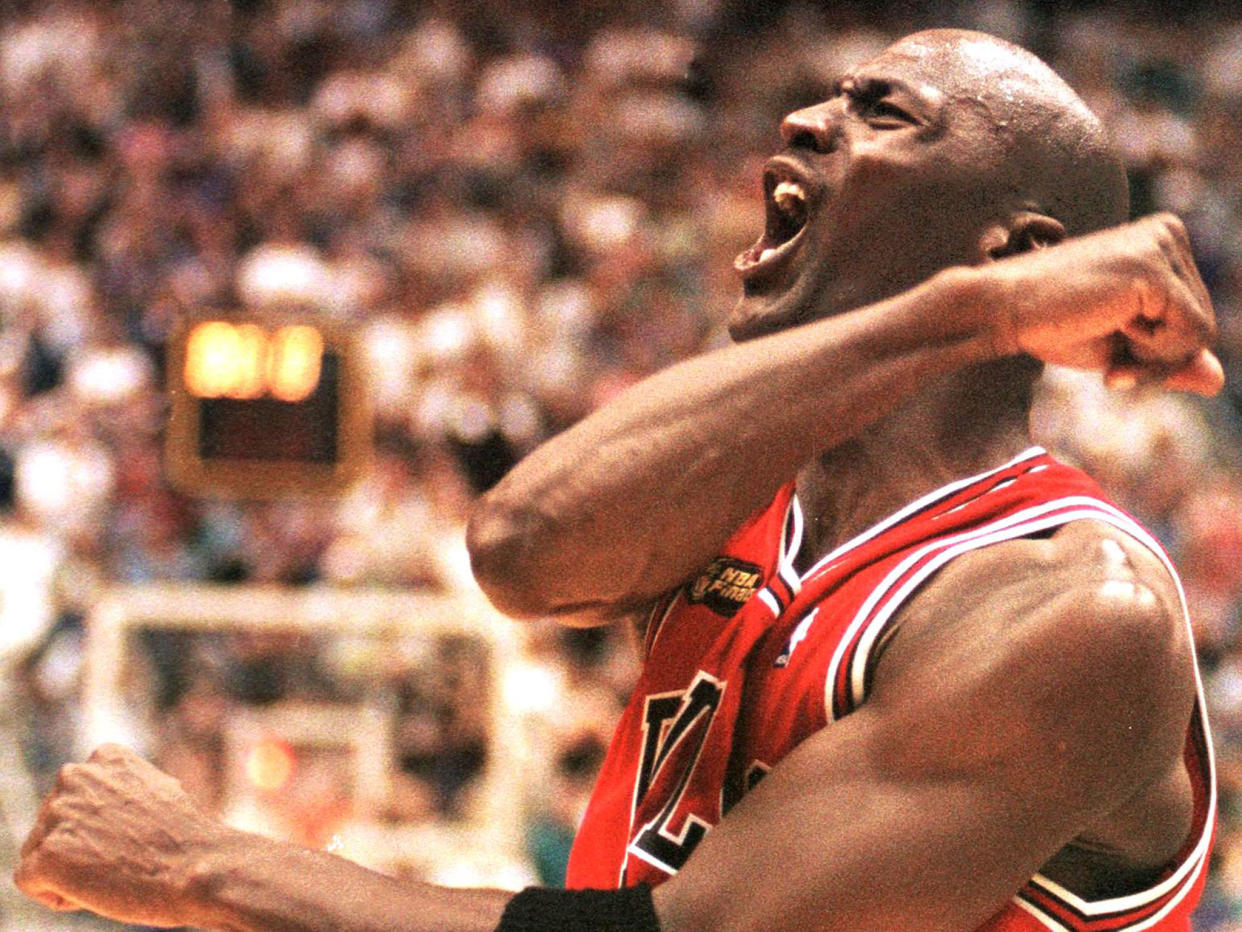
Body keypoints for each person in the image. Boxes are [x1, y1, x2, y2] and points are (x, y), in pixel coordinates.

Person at [14, 28, 1223, 932]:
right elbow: (521, 549)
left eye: (885, 114)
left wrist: (196, 863)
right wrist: (972, 314)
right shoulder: (750, 489)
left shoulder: (1073, 606)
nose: (804, 119)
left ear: (1016, 252)